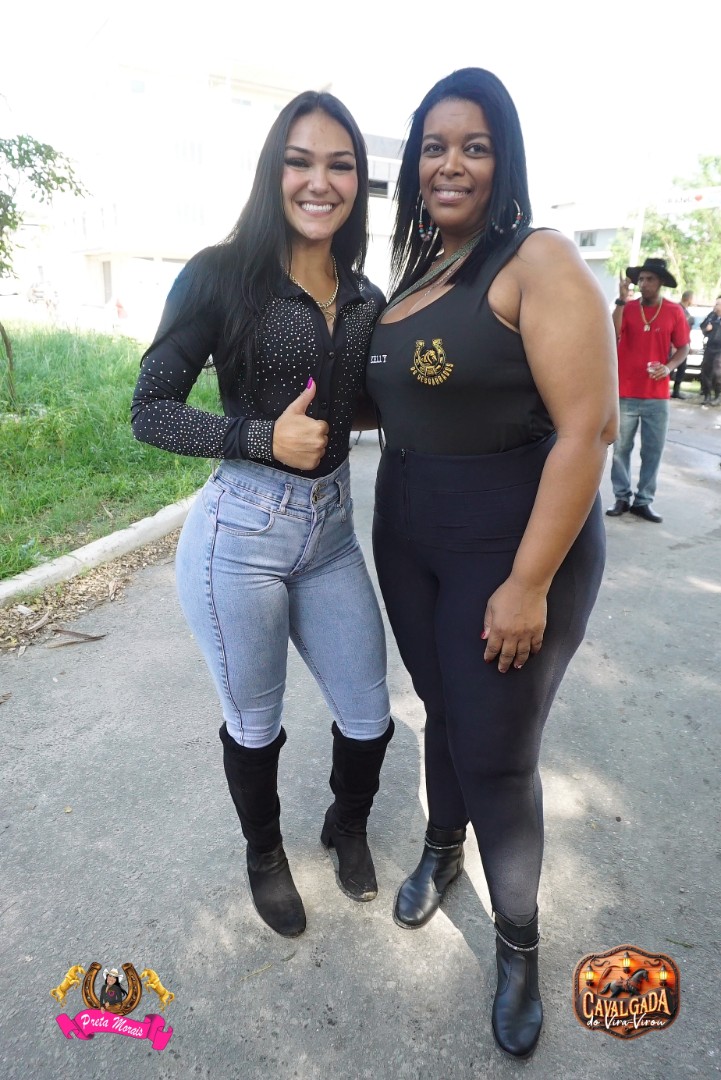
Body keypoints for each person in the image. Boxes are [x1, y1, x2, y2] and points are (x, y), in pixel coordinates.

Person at [365, 67, 618, 1059]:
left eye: (473, 145)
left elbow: (587, 431)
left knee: (499, 753)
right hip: (409, 538)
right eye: (434, 146)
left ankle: (517, 943)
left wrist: (527, 583)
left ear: (502, 158)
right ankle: (442, 848)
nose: (450, 163)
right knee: (444, 710)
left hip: (508, 548)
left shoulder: (535, 259)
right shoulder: (418, 272)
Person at [131, 92, 393, 939]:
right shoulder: (220, 274)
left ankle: (345, 825)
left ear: (358, 181)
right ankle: (265, 854)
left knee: (369, 714)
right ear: (272, 170)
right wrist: (256, 436)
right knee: (255, 722)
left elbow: (359, 400)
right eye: (299, 161)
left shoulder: (365, 294)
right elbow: (149, 409)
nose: (320, 181)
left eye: (340, 165)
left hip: (331, 531)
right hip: (239, 535)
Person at [606, 258, 690, 523]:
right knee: (621, 450)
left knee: (652, 451)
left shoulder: (674, 311)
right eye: (640, 279)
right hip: (626, 392)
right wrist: (621, 301)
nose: (643, 283)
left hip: (657, 396)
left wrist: (669, 367)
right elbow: (612, 332)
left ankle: (643, 501)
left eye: (649, 279)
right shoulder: (628, 308)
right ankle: (621, 497)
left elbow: (683, 347)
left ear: (660, 282)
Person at [671, 290, 694, 399]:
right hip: (675, 345)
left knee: (682, 368)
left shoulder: (685, 311)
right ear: (689, 299)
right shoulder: (677, 310)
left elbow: (686, 332)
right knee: (670, 367)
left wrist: (688, 345)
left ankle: (676, 391)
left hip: (683, 344)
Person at [699, 297, 721, 405]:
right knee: (706, 371)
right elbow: (702, 326)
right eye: (715, 304)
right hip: (710, 347)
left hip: (720, 349)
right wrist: (706, 329)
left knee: (717, 372)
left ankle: (718, 396)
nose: (715, 306)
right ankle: (707, 396)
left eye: (718, 304)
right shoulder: (711, 316)